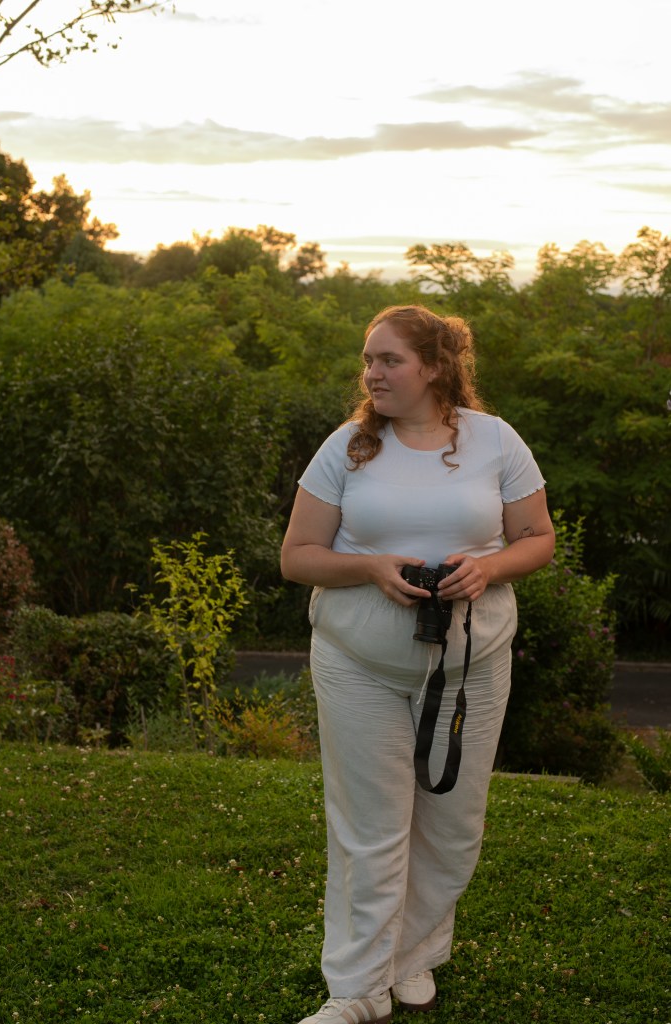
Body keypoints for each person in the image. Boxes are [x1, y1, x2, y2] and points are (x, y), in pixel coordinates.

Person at [280, 304, 555, 1024]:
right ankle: (358, 991)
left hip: (472, 666)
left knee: (453, 827)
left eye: (389, 360)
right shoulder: (346, 448)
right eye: (368, 360)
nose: (372, 373)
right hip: (358, 665)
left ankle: (413, 957)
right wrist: (371, 568)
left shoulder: (496, 441)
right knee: (369, 828)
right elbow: (297, 557)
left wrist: (488, 568)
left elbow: (537, 537)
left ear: (434, 367)